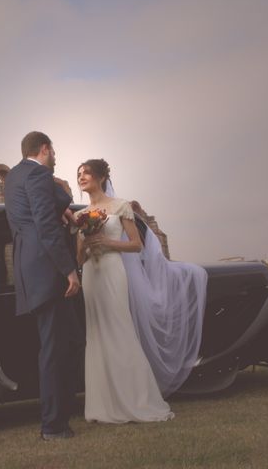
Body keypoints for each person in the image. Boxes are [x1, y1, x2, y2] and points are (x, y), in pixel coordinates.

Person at [75, 159, 207, 423]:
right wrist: (86, 242)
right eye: (78, 174)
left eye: (86, 172)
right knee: (97, 336)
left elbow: (136, 245)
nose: (81, 177)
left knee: (120, 331)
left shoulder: (120, 206)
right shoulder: (81, 216)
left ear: (100, 177)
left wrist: (108, 242)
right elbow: (79, 260)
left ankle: (137, 400)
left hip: (113, 271)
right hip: (92, 275)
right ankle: (103, 407)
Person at [4, 131, 82, 440]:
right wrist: (69, 271)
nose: (55, 158)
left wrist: (60, 205)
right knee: (53, 349)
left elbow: (40, 213)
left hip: (31, 267)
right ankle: (53, 425)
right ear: (45, 149)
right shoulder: (37, 175)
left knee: (72, 341)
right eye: (54, 152)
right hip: (47, 269)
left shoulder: (14, 177)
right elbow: (45, 225)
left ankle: (64, 410)